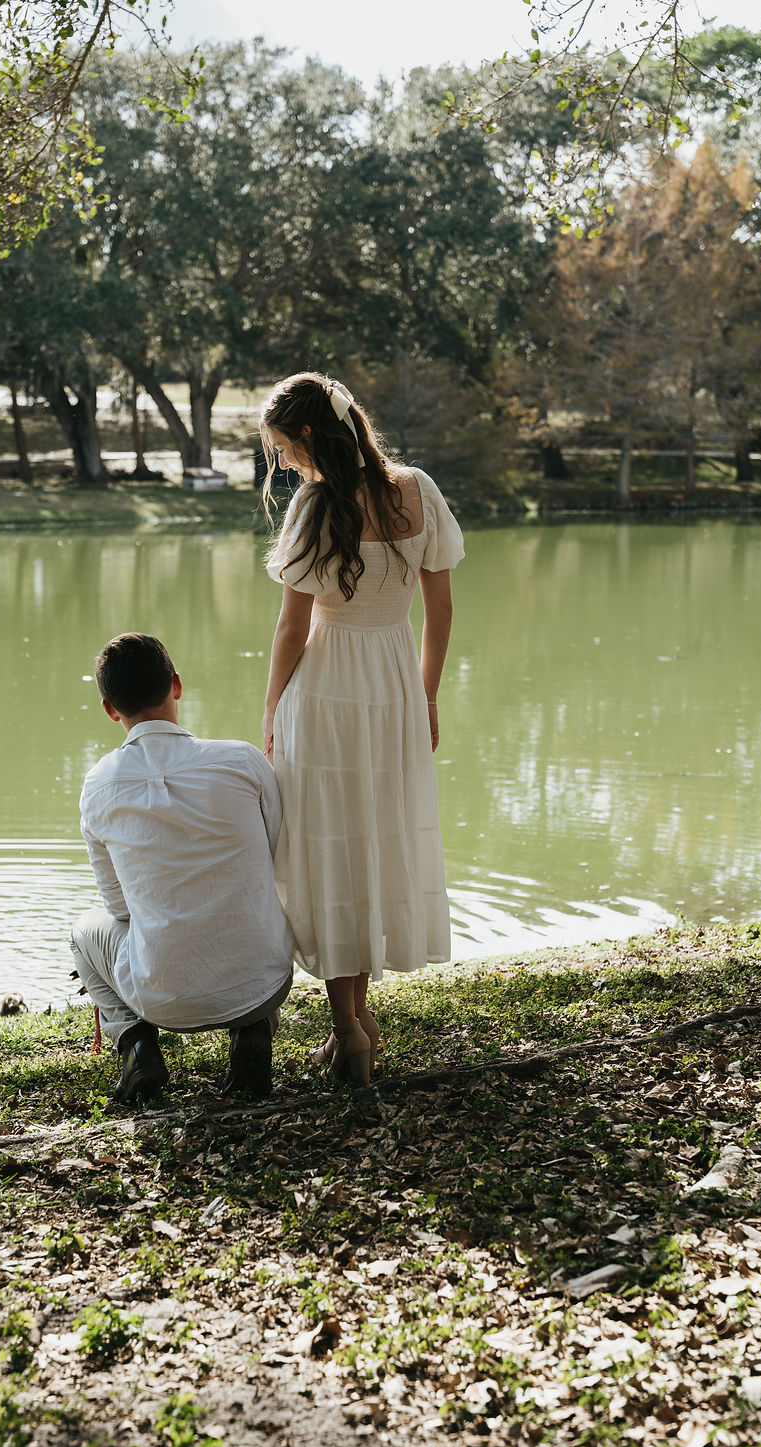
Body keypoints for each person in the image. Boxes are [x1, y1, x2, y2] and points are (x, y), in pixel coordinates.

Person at [260, 372, 465, 1085]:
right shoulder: (417, 488)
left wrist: (269, 713)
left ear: (310, 435)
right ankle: (359, 1021)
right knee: (373, 844)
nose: (282, 463)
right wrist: (427, 697)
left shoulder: (315, 504)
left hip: (321, 688)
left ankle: (348, 1027)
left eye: (283, 447)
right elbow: (440, 611)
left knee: (326, 850)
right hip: (392, 683)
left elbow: (291, 630)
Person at [72, 633, 295, 1104]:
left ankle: (137, 1044)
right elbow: (277, 855)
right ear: (176, 685)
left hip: (161, 998)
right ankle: (253, 1032)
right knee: (250, 900)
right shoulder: (244, 761)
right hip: (262, 982)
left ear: (110, 709)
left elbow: (118, 906)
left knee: (83, 932)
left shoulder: (97, 785)